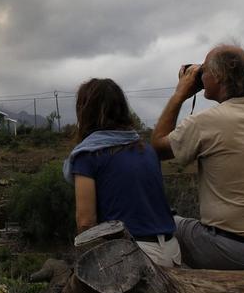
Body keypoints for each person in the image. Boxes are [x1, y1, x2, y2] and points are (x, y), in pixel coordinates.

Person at [149, 44, 244, 270]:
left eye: (204, 70)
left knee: (159, 222)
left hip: (229, 251)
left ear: (219, 75)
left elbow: (157, 147)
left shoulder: (207, 121)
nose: (200, 75)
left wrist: (180, 94)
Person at [64, 78, 180, 268]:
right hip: (172, 251)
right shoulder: (147, 150)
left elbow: (85, 223)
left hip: (132, 257)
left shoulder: (88, 155)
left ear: (84, 112)